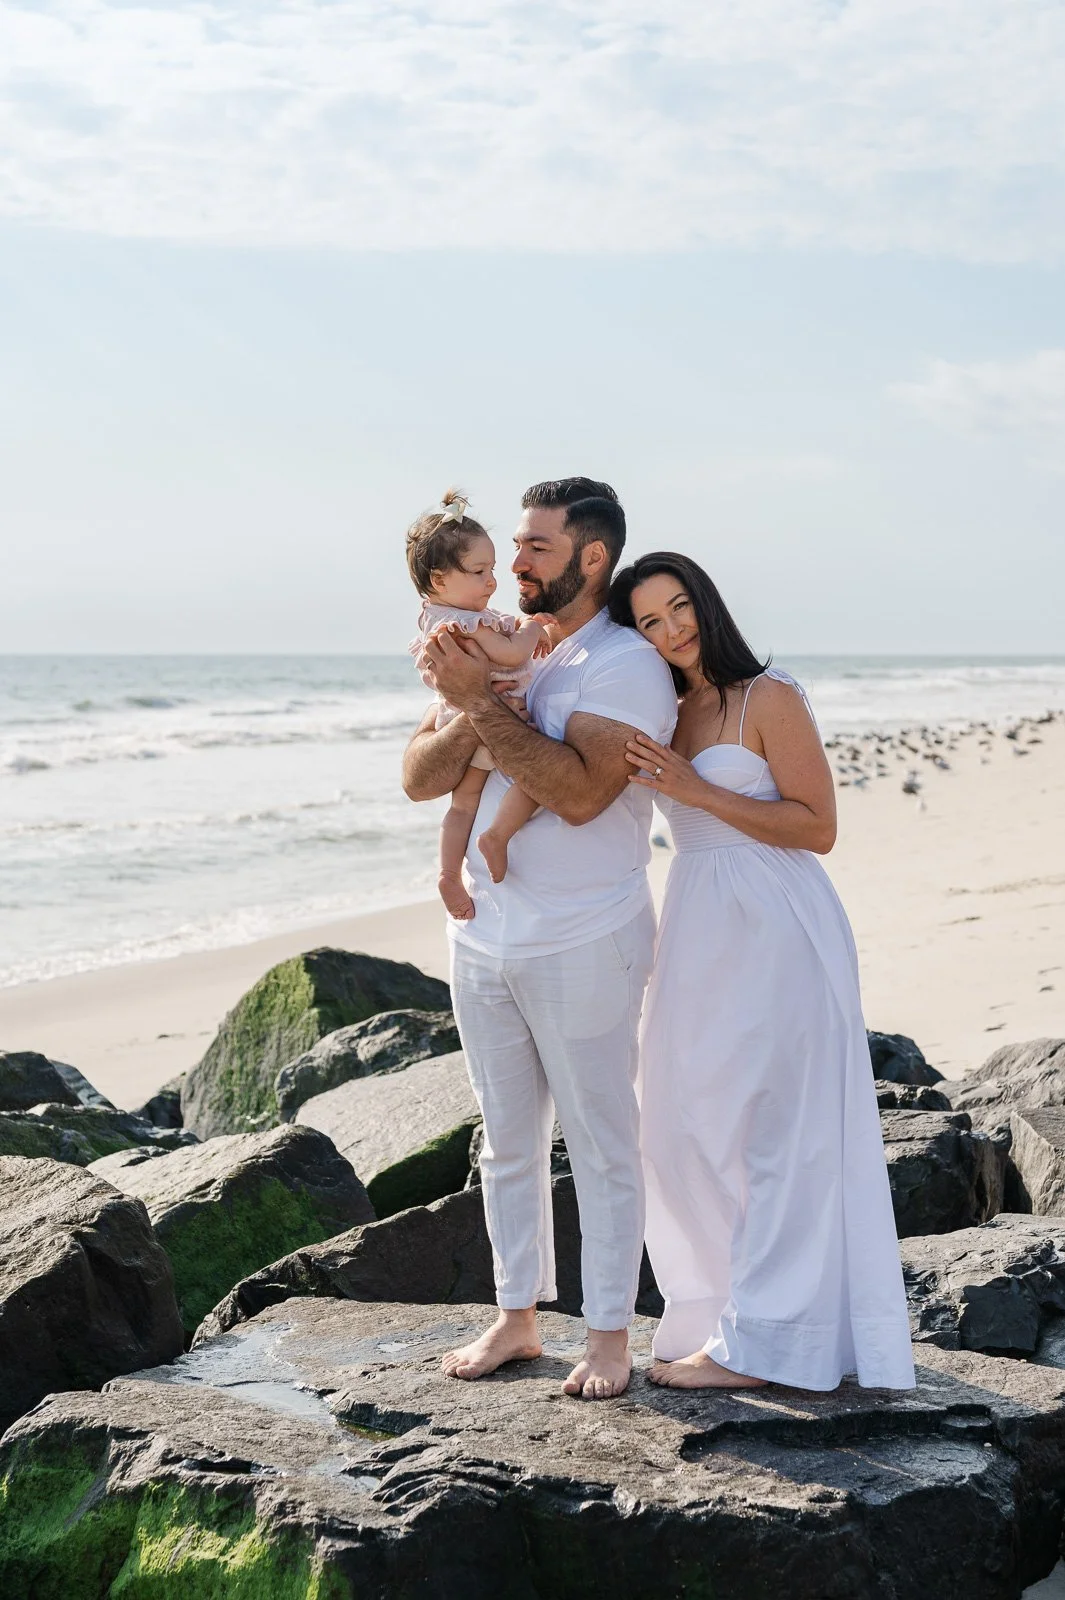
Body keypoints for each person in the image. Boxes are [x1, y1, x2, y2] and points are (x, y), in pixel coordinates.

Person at [609, 552, 915, 1392]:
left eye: (679, 609)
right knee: (677, 1125)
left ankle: (766, 1346)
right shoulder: (662, 708)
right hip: (696, 923)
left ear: (705, 605)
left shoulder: (767, 696)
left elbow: (817, 826)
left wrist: (696, 792)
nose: (670, 630)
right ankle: (714, 1312)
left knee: (779, 1132)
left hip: (778, 918)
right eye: (648, 622)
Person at [402, 478, 677, 1400]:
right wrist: (464, 698)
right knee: (505, 1140)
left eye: (535, 549)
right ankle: (516, 1316)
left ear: (591, 557)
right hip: (483, 935)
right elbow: (416, 775)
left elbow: (578, 793)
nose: (514, 563)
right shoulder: (500, 646)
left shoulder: (622, 665)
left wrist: (476, 701)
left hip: (585, 936)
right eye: (512, 547)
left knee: (601, 1141)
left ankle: (606, 1334)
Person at [406, 487, 551, 920]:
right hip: (501, 719)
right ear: (439, 580)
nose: (492, 580)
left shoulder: (435, 621)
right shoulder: (468, 625)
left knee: (463, 803)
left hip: (460, 722)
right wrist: (532, 627)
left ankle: (449, 872)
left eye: (490, 569)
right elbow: (511, 655)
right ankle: (497, 837)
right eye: (479, 571)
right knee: (537, 776)